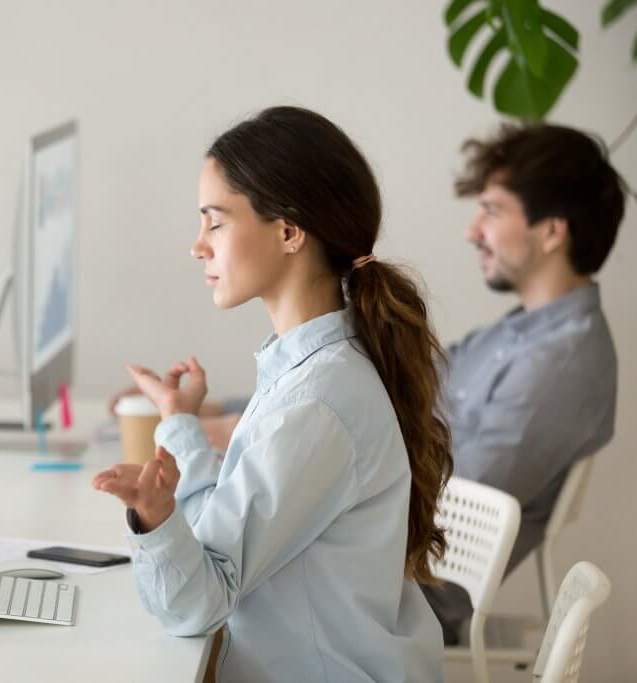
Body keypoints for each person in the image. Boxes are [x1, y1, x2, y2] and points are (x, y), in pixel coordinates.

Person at [93, 106, 452, 682]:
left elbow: (197, 604)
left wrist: (154, 520)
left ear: (288, 231)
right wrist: (180, 425)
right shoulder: (313, 369)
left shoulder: (316, 405)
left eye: (215, 222)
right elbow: (221, 531)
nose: (198, 246)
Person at [421, 123, 624, 642]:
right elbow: (395, 393)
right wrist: (232, 422)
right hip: (376, 567)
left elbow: (445, 521)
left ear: (552, 232)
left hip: (407, 599)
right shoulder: (515, 334)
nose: (473, 231)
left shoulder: (562, 365)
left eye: (491, 210)